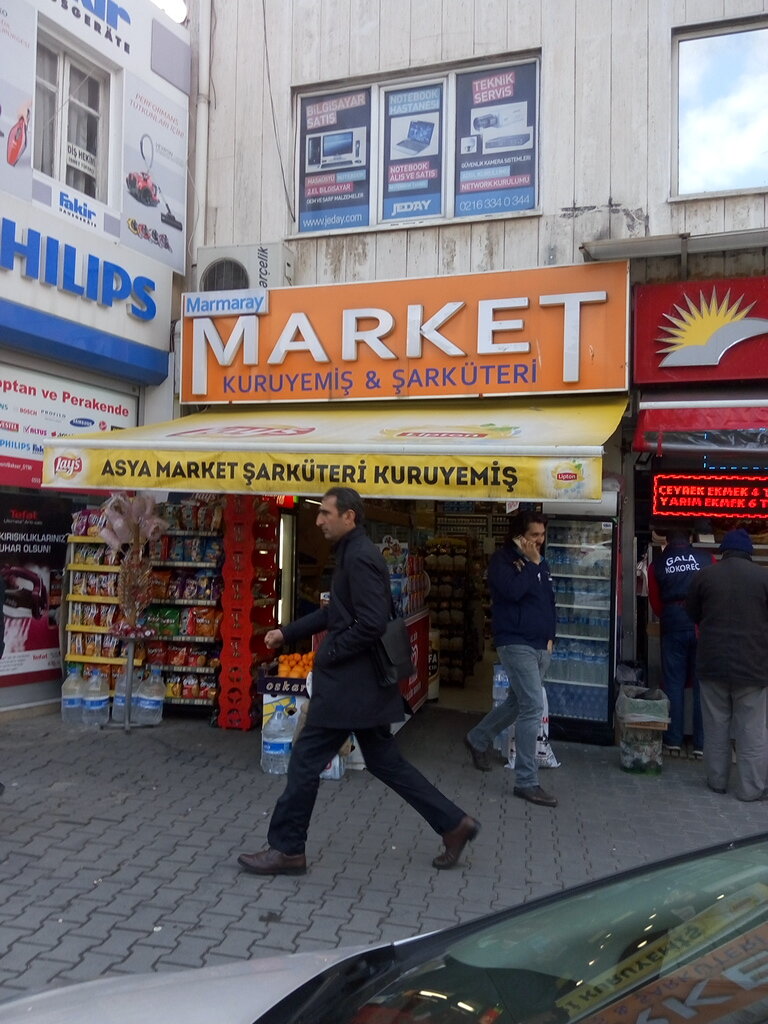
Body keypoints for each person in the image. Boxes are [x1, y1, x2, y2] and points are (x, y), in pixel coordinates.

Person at [238, 487, 479, 875]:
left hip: (349, 686)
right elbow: (335, 613)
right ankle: (454, 824)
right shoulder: (351, 554)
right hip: (361, 686)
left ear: (349, 517)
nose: (318, 520)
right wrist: (287, 632)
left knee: (303, 761)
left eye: (326, 514)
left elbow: (370, 622)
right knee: (386, 762)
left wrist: (328, 655)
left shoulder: (362, 557)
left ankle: (287, 850)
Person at [464, 510, 558, 807]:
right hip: (515, 642)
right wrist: (531, 565)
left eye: (542, 536)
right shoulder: (502, 562)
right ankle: (527, 781)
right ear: (518, 535)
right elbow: (513, 593)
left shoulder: (542, 562)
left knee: (518, 702)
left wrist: (550, 636)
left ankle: (478, 738)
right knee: (532, 705)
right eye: (533, 536)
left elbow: (548, 600)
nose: (538, 542)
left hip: (540, 644)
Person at [685, 528, 768, 801]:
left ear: (723, 551)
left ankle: (717, 782)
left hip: (712, 663)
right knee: (751, 730)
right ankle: (750, 789)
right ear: (749, 553)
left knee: (716, 727)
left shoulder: (705, 576)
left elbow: (692, 613)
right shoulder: (763, 578)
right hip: (753, 668)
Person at [647, 527, 713, 758]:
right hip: (701, 625)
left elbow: (655, 602)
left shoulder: (657, 564)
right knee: (701, 684)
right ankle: (701, 745)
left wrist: (668, 615)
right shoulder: (707, 559)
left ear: (666, 540)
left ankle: (673, 741)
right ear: (691, 539)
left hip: (673, 623)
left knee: (673, 683)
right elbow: (713, 593)